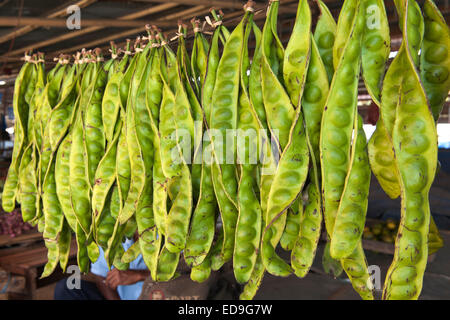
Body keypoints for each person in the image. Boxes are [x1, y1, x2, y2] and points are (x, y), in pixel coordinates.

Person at [54, 232, 149, 300]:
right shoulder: (111, 230)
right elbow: (101, 277)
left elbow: (164, 277)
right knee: (68, 287)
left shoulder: (161, 233)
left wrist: (140, 275)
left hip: (159, 295)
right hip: (119, 297)